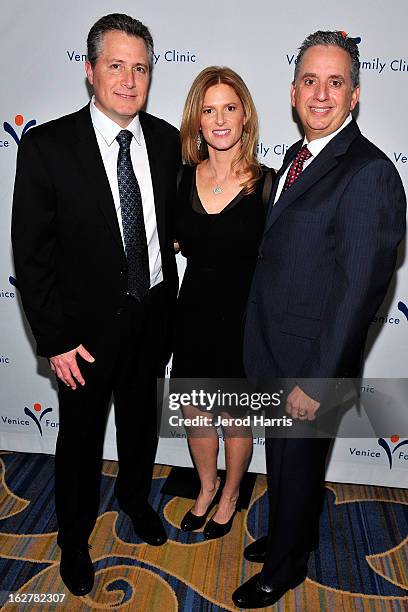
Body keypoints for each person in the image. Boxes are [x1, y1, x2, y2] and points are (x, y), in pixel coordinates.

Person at [232, 30, 406, 608]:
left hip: (311, 363)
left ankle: (284, 570)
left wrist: (318, 380)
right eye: (311, 80)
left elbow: (360, 292)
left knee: (299, 461)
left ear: (355, 95)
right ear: (293, 90)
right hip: (276, 346)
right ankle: (292, 536)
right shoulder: (297, 155)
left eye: (336, 82)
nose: (322, 93)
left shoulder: (370, 173)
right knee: (286, 461)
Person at [11, 13, 180, 597]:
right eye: (116, 66)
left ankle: (135, 501)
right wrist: (53, 339)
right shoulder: (47, 146)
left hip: (153, 313)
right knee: (78, 444)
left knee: (140, 428)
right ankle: (74, 540)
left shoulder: (164, 140)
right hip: (81, 335)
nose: (130, 80)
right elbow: (30, 256)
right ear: (89, 71)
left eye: (140, 68)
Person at [171, 67, 274, 540]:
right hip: (192, 314)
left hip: (243, 320)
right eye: (208, 109)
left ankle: (231, 493)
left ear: (245, 117)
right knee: (196, 416)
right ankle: (207, 487)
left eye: (229, 108)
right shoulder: (180, 180)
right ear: (197, 119)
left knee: (235, 420)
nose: (219, 119)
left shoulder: (269, 185)